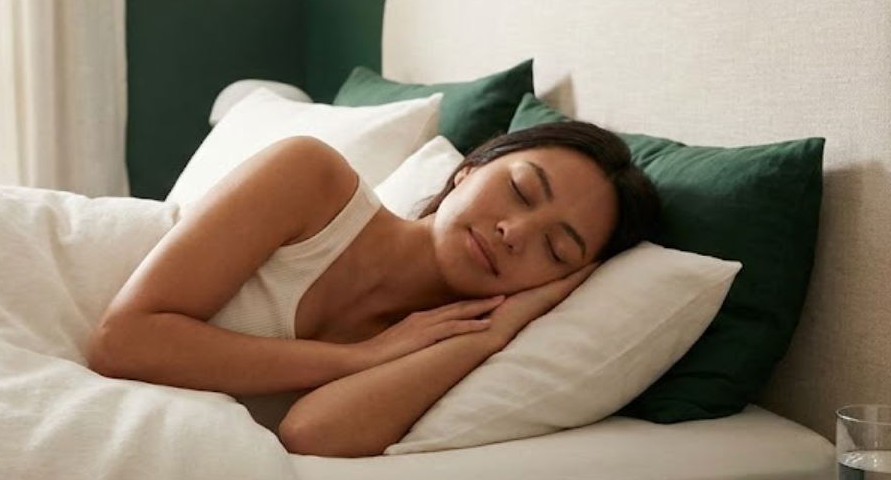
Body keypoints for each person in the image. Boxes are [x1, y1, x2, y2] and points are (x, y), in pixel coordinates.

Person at [88, 121, 661, 457]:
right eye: (519, 190)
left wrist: (492, 334)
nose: (515, 233)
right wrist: (356, 357)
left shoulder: (432, 343)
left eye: (556, 251)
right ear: (470, 167)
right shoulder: (310, 177)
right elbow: (124, 342)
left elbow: (312, 432)